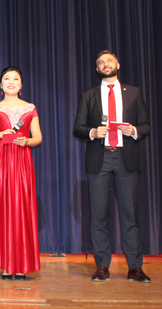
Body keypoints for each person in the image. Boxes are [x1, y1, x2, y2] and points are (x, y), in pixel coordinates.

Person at [73, 50, 151, 283]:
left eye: (109, 60)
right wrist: (93, 132)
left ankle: (135, 267)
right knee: (99, 216)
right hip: (100, 159)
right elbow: (78, 128)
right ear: (97, 69)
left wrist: (134, 131)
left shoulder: (134, 93)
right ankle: (102, 266)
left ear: (118, 64)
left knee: (130, 215)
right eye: (101, 63)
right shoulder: (88, 95)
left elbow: (146, 125)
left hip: (126, 159)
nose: (105, 64)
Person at [0, 67, 42, 280]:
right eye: (6, 78)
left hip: (23, 162)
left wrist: (27, 141)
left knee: (22, 209)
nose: (11, 81)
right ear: (0, 85)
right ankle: (7, 264)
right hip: (1, 162)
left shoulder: (30, 108)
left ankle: (22, 264)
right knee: (3, 208)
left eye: (15, 78)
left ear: (21, 85)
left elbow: (38, 138)